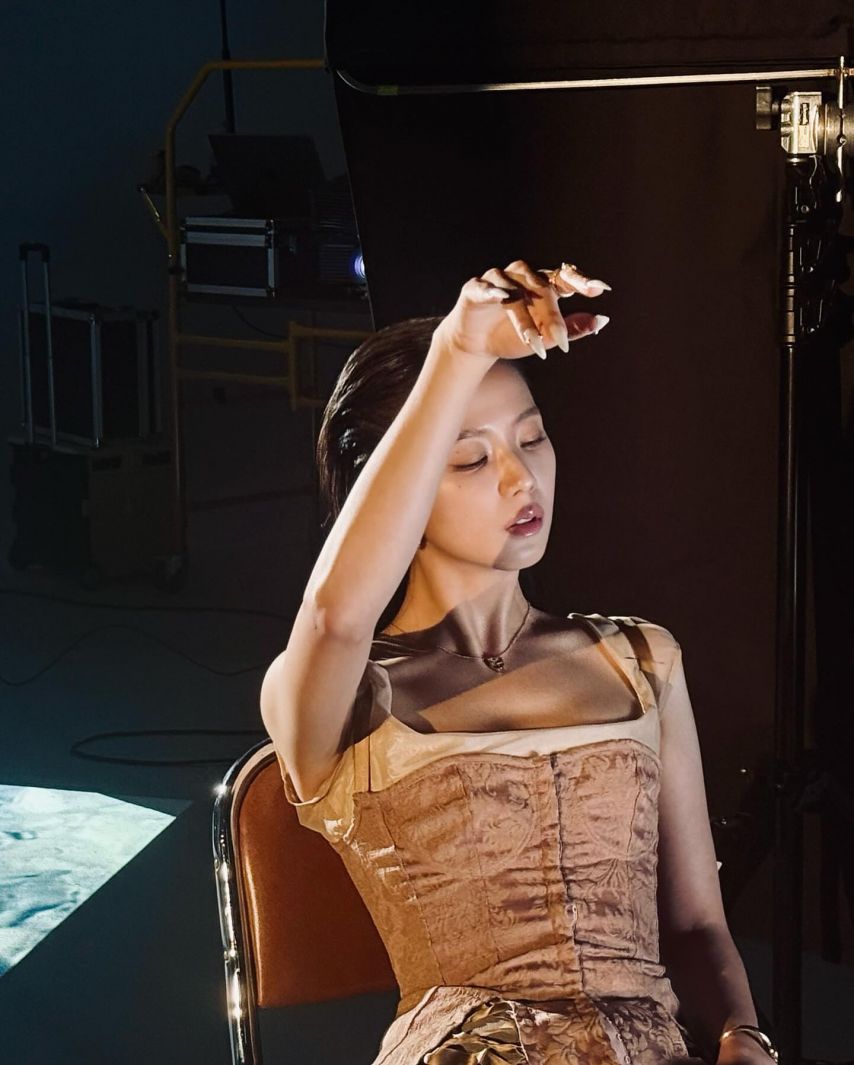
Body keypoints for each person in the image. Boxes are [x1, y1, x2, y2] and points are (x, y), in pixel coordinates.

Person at [260, 260, 778, 1065]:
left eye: (532, 437)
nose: (520, 476)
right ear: (393, 490)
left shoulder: (642, 658)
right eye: (470, 459)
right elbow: (334, 616)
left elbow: (695, 925)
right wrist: (457, 349)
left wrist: (742, 1033)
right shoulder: (347, 695)